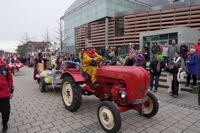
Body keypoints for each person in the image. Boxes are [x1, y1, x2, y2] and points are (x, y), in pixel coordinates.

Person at [0, 60, 14, 133]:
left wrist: (11, 91)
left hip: (4, 94)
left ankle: (4, 124)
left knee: (5, 111)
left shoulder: (5, 70)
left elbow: (10, 81)